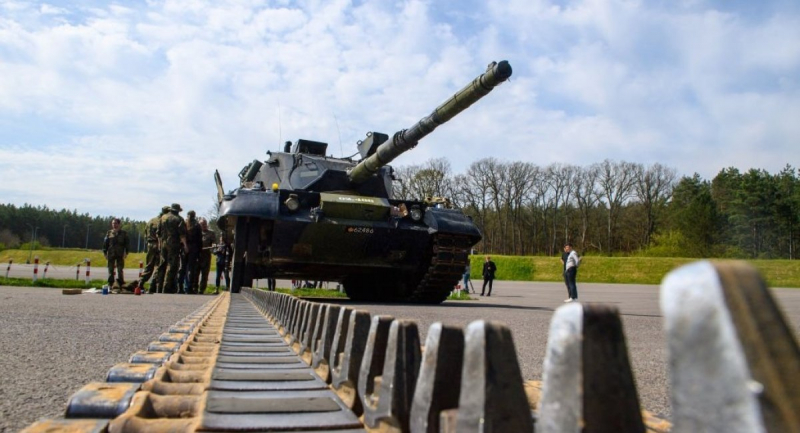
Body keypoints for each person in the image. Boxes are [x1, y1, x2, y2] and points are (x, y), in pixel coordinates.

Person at [156, 203, 188, 294]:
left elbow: (158, 233)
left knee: (162, 265)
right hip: (174, 245)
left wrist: (159, 244)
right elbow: (182, 235)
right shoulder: (179, 219)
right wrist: (185, 246)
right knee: (172, 265)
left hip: (163, 244)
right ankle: (166, 288)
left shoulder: (162, 218)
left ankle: (159, 287)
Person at [139, 206, 168, 293]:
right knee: (159, 265)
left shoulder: (151, 221)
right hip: (158, 244)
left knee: (149, 266)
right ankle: (153, 285)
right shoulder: (163, 221)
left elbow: (145, 233)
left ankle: (141, 282)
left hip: (150, 244)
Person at [103, 218, 129, 287]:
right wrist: (105, 253)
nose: (114, 225)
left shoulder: (123, 233)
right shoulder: (109, 233)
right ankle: (110, 284)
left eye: (116, 223)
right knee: (110, 270)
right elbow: (105, 244)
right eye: (113, 223)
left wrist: (126, 252)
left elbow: (127, 244)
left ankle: (121, 283)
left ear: (119, 224)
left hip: (120, 254)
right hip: (111, 254)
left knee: (120, 270)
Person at [182, 210, 202, 294]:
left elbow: (181, 235)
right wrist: (199, 251)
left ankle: (183, 286)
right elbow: (200, 239)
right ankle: (190, 286)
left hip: (185, 247)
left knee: (184, 268)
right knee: (191, 268)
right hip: (194, 248)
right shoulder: (197, 225)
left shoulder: (184, 224)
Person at [197, 218, 215, 295]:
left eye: (205, 224)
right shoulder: (196, 232)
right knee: (195, 272)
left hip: (206, 254)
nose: (204, 226)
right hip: (197, 254)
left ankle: (202, 289)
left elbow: (214, 242)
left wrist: (214, 245)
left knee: (205, 273)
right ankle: (194, 288)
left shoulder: (211, 233)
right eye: (202, 224)